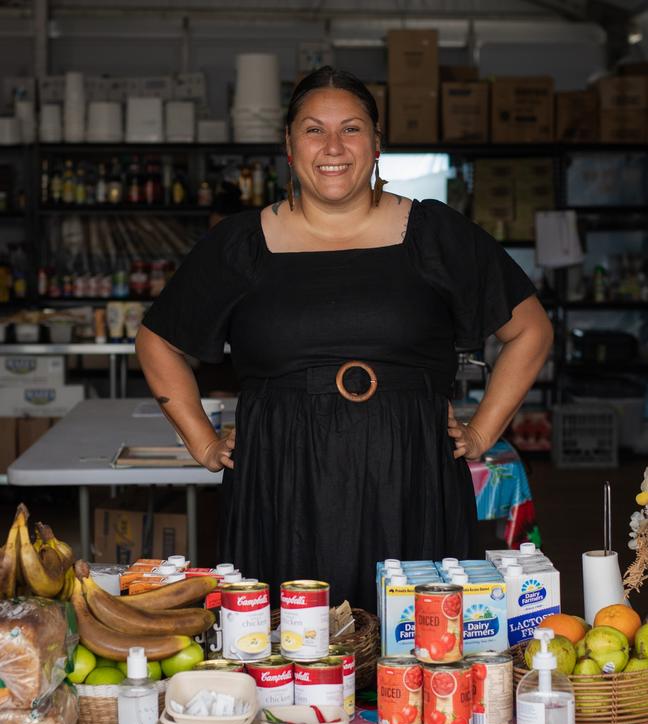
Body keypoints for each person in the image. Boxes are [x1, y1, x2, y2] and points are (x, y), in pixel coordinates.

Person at [136, 66, 553, 611]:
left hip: (410, 472)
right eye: (313, 129)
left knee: (416, 649)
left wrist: (480, 434)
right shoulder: (241, 244)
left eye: (351, 128)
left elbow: (530, 329)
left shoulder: (435, 233)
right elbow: (156, 339)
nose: (333, 146)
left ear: (377, 143)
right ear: (289, 146)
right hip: (281, 478)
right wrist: (204, 443)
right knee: (285, 654)